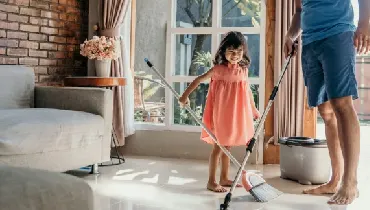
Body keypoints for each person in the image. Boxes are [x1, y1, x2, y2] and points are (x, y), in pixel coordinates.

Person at [284, 0, 370, 205]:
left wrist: (365, 24)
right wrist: (290, 34)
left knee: (342, 104)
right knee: (326, 111)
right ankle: (335, 180)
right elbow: (299, 10)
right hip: (311, 41)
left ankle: (351, 182)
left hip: (337, 34)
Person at [179, 31, 260, 193]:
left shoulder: (242, 70)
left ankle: (224, 178)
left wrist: (253, 109)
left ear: (243, 52)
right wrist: (184, 96)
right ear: (223, 51)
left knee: (227, 147)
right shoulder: (218, 69)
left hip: (235, 114)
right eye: (231, 51)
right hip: (220, 115)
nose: (235, 55)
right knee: (218, 147)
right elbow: (198, 80)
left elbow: (248, 91)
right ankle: (211, 181)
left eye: (238, 51)